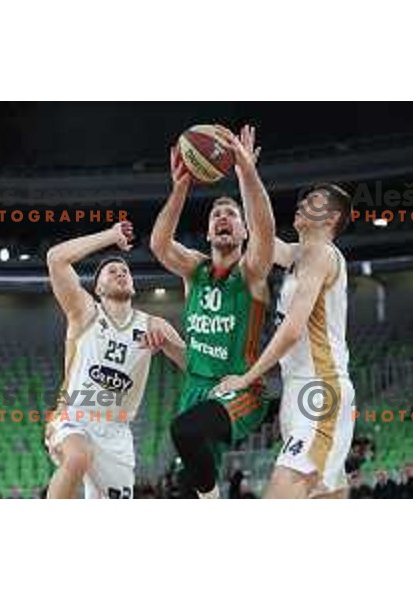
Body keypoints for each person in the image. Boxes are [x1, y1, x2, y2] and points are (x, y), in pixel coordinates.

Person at [150, 125, 275, 498]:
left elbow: (266, 231)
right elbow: (159, 244)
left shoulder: (251, 273)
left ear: (243, 232)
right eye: (216, 214)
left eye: (231, 215)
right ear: (206, 233)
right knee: (188, 480)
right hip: (197, 389)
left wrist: (246, 174)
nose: (223, 217)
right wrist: (180, 188)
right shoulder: (195, 271)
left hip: (241, 389)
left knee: (184, 431)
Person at [216, 183, 355, 499]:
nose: (303, 201)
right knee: (325, 497)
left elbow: (292, 330)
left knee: (281, 492)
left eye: (314, 200)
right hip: (299, 391)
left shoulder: (322, 254)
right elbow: (262, 233)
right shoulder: (298, 254)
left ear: (331, 217)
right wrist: (245, 173)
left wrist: (248, 377)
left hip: (320, 389)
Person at [45, 222, 185, 499]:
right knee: (77, 457)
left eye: (125, 271)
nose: (121, 273)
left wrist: (169, 344)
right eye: (112, 271)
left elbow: (193, 366)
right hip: (74, 416)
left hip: (117, 431)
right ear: (98, 287)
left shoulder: (153, 325)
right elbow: (56, 258)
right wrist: (111, 236)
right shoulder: (85, 313)